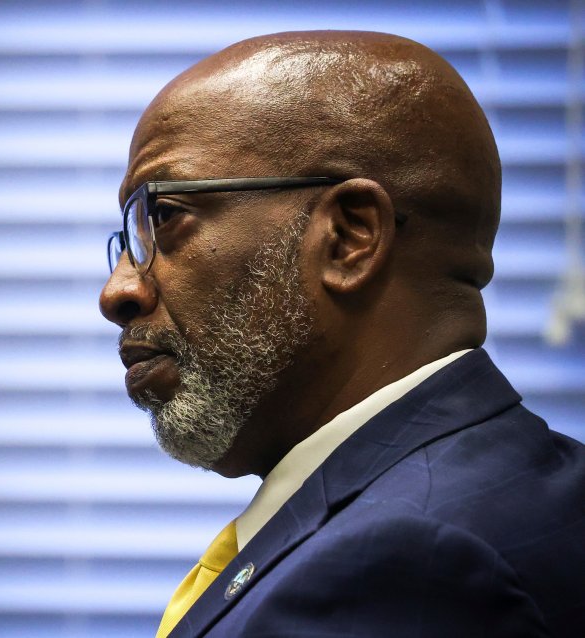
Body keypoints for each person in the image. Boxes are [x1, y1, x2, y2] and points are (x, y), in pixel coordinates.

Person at [98, 31, 585, 638]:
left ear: (350, 238)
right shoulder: (510, 487)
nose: (118, 291)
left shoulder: (408, 565)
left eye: (164, 217)